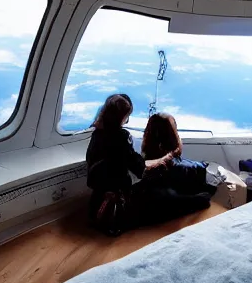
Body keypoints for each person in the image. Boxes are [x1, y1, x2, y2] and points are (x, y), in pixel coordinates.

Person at [85, 94, 211, 236]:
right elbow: (140, 168)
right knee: (176, 201)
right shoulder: (120, 137)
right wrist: (168, 157)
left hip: (96, 202)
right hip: (118, 205)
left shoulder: (97, 134)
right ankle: (200, 199)